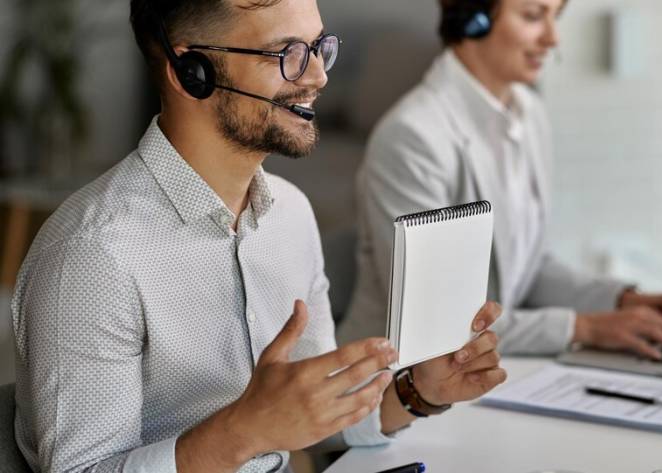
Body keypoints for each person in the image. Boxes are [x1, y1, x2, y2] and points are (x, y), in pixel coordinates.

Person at [10, 1, 507, 471]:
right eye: (287, 54)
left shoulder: (289, 214)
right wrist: (243, 431)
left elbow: (314, 419)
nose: (318, 76)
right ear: (192, 72)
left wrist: (419, 391)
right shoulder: (92, 254)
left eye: (318, 48)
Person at [338, 0, 662, 361]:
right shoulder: (412, 137)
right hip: (389, 385)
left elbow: (528, 270)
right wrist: (586, 328)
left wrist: (622, 301)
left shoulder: (529, 114)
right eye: (532, 16)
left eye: (555, 17)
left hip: (484, 371)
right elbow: (439, 319)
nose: (553, 38)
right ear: (472, 17)